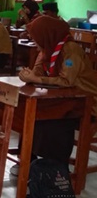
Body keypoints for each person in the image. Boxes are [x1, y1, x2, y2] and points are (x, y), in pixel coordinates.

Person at [17, 16, 97, 172]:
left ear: (46, 34)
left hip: (87, 103)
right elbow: (37, 73)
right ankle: (29, 160)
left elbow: (67, 81)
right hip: (63, 100)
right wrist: (28, 76)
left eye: (35, 37)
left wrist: (36, 78)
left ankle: (56, 167)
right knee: (30, 115)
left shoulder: (70, 50)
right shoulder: (48, 49)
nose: (33, 40)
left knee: (55, 120)